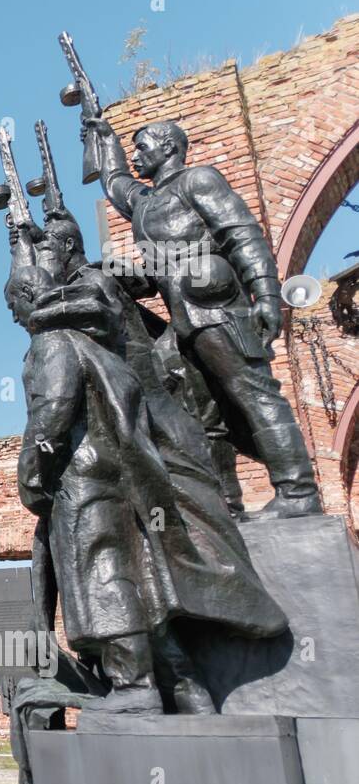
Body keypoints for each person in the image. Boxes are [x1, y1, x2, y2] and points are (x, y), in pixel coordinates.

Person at [6, 243, 287, 713]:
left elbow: (51, 416)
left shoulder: (53, 343)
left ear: (29, 297)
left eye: (14, 305)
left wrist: (32, 478)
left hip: (84, 479)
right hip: (119, 474)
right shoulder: (97, 343)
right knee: (143, 581)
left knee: (101, 573)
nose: (15, 317)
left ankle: (134, 687)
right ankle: (184, 684)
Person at [82, 116, 322, 520]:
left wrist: (265, 294)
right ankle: (226, 508)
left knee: (255, 394)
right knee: (205, 419)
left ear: (169, 148)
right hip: (184, 319)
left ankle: (298, 492)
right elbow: (115, 182)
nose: (137, 154)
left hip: (218, 308)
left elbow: (241, 234)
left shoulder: (199, 181)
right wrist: (105, 140)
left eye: (143, 146)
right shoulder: (146, 204)